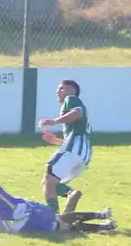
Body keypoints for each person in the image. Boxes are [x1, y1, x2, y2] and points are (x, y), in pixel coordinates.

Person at [37, 79, 92, 213]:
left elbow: (77, 113)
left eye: (61, 88)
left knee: (49, 177)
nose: (58, 91)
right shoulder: (72, 106)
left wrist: (54, 121)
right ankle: (71, 195)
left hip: (74, 150)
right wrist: (56, 141)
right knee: (49, 183)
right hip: (83, 155)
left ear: (72, 90)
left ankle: (54, 218)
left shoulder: (71, 99)